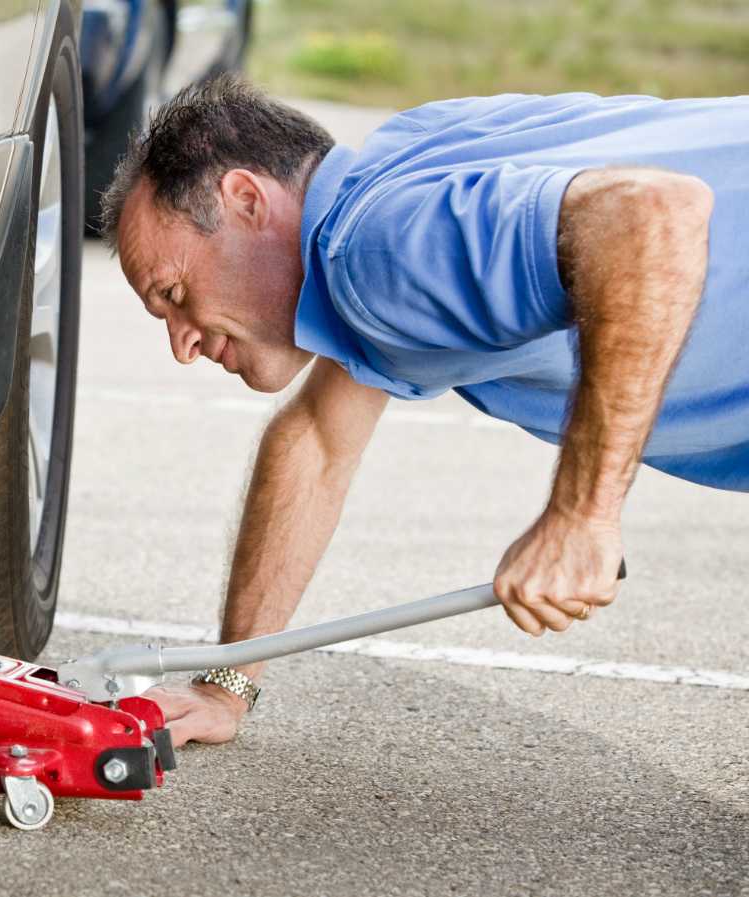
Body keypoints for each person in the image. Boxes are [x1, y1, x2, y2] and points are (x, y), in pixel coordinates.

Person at [98, 76, 748, 747]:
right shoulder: (388, 182)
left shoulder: (373, 250)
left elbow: (651, 215)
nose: (181, 345)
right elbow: (316, 441)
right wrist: (225, 686)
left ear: (246, 200)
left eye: (173, 293)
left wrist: (582, 515)